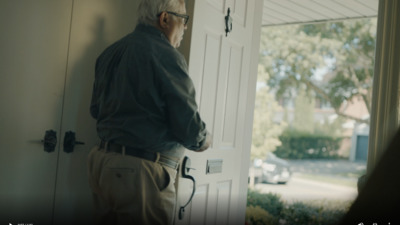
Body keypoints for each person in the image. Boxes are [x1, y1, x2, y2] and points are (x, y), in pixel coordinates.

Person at [87, 0, 211, 224]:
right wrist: (204, 139)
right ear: (165, 19)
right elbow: (189, 128)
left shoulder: (110, 53)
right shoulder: (167, 56)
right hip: (141, 174)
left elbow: (96, 110)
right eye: (183, 19)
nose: (185, 27)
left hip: (101, 164)